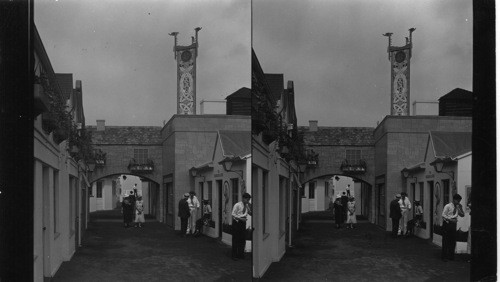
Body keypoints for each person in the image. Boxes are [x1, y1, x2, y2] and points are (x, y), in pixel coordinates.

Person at [441, 193, 465, 261]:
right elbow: (443, 215)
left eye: (459, 201)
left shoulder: (459, 206)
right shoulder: (448, 206)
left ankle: (451, 256)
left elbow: (462, 215)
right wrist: (451, 220)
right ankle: (444, 256)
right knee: (446, 240)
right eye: (458, 201)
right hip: (447, 223)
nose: (458, 202)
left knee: (452, 240)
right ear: (454, 200)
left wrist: (459, 209)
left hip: (453, 224)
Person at [231, 193, 252, 260]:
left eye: (249, 200)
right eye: (247, 199)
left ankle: (241, 254)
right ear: (243, 198)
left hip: (243, 223)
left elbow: (249, 213)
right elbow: (233, 215)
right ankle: (234, 255)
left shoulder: (247, 205)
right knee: (236, 239)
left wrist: (251, 208)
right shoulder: (237, 205)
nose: (248, 201)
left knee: (242, 239)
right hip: (237, 223)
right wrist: (241, 219)